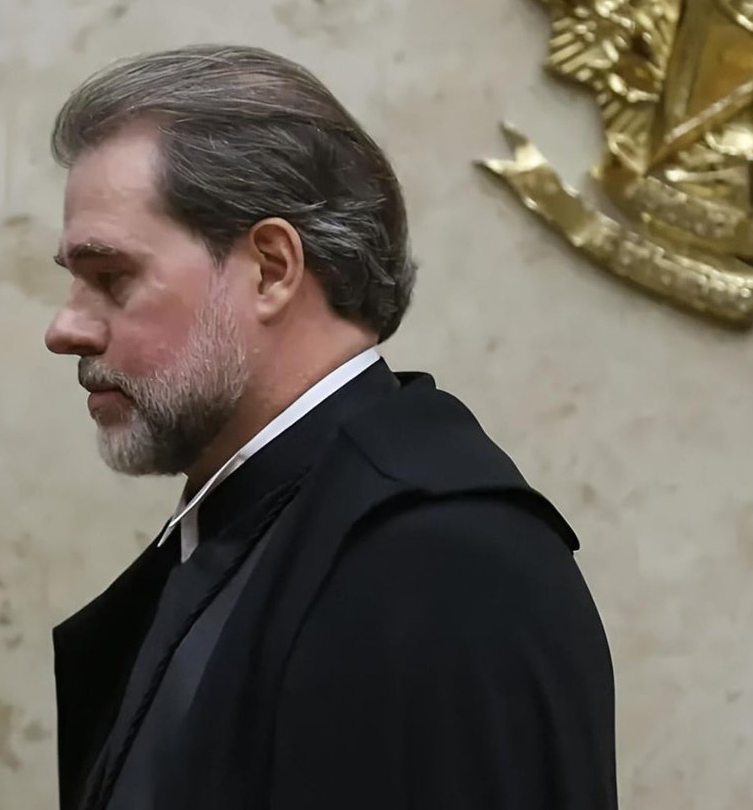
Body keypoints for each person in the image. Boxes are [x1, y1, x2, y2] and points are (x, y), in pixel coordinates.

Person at [44, 44, 616, 810]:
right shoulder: (256, 521)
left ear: (272, 268)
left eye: (112, 277)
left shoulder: (442, 566)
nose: (65, 328)